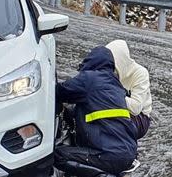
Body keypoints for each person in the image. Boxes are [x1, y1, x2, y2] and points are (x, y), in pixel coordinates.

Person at [54, 46, 138, 175]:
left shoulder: (89, 79)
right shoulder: (116, 85)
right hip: (128, 153)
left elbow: (59, 91)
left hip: (109, 155)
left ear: (91, 60)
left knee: (58, 155)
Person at [106, 39, 153, 140]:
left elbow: (136, 108)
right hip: (118, 111)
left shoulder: (140, 73)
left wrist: (110, 94)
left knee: (109, 123)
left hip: (140, 118)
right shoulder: (110, 72)